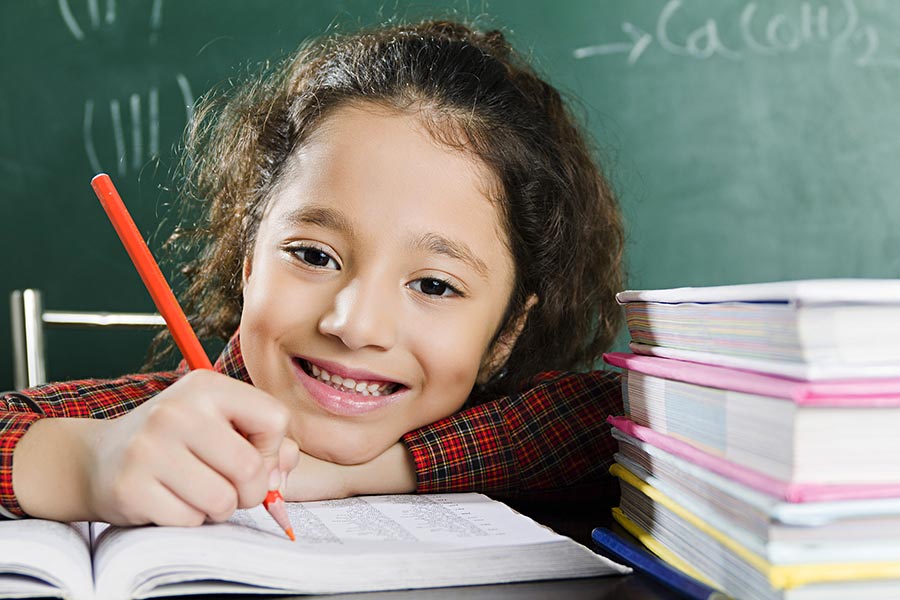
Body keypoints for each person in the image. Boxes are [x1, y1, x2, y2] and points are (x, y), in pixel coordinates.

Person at [0, 19, 624, 525]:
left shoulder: (535, 434)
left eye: (434, 284)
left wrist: (359, 474)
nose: (355, 326)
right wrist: (80, 463)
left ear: (507, 332)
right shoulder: (148, 429)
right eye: (314, 255)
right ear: (249, 262)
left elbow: (615, 417)